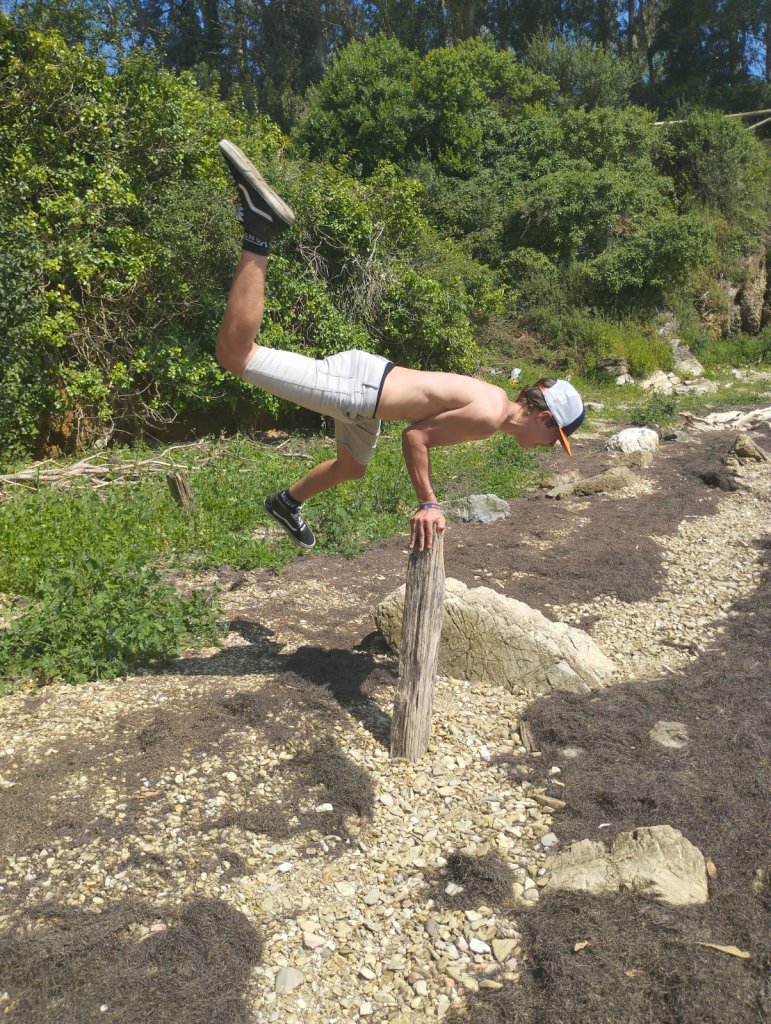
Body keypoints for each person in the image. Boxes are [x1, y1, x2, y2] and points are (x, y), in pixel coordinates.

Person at [215, 140, 585, 553]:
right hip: (357, 389)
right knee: (236, 354)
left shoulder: (495, 403)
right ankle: (259, 230)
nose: (549, 447)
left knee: (352, 467)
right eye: (555, 439)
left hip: (370, 394)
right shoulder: (488, 415)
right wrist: (429, 503)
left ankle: (286, 502)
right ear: (545, 419)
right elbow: (415, 438)